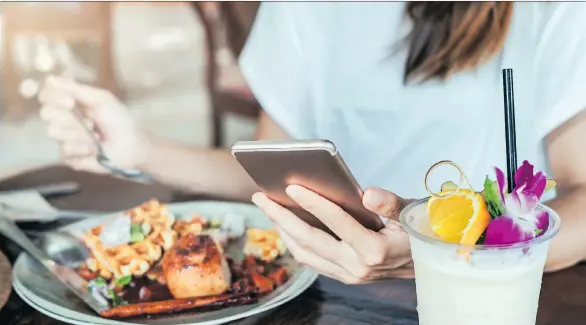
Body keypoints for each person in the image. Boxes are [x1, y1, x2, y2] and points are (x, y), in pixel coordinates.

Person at [39, 2, 586, 284]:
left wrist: (438, 258)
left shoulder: (549, 9)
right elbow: (278, 174)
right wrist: (139, 151)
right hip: (323, 289)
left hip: (490, 300)